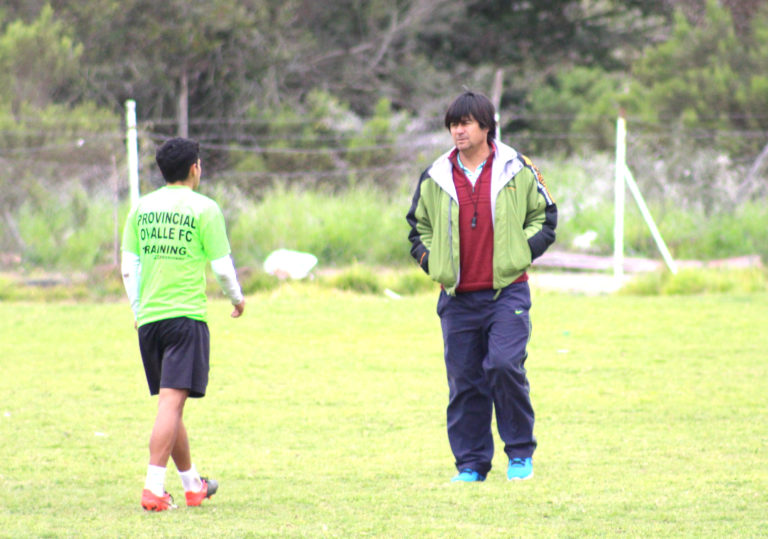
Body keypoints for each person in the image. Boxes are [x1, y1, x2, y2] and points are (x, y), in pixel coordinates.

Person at [406, 91, 556, 482]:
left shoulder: (517, 168)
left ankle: (520, 456)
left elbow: (545, 217)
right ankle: (471, 465)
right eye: (453, 125)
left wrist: (520, 253)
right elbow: (417, 228)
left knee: (504, 367)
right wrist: (433, 263)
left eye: (466, 123)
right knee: (465, 382)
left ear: (486, 126)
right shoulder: (436, 175)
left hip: (507, 293)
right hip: (457, 299)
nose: (458, 131)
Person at [121, 137, 246, 510]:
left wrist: (138, 310)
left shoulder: (141, 208)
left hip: (150, 321)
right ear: (195, 168)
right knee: (170, 406)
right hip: (185, 318)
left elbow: (129, 267)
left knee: (170, 404)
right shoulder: (205, 208)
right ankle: (153, 490)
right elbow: (222, 267)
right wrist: (237, 299)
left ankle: (193, 485)